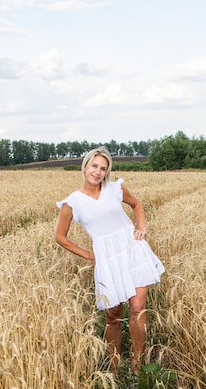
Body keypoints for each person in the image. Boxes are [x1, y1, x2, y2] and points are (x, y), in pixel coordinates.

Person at [55, 146, 165, 374]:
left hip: (132, 250)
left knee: (138, 308)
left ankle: (137, 368)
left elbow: (136, 204)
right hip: (107, 259)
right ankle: (114, 371)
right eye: (94, 166)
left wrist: (141, 227)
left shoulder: (115, 189)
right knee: (113, 317)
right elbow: (60, 237)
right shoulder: (72, 203)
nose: (97, 172)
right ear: (85, 166)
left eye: (103, 168)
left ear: (107, 172)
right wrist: (88, 254)